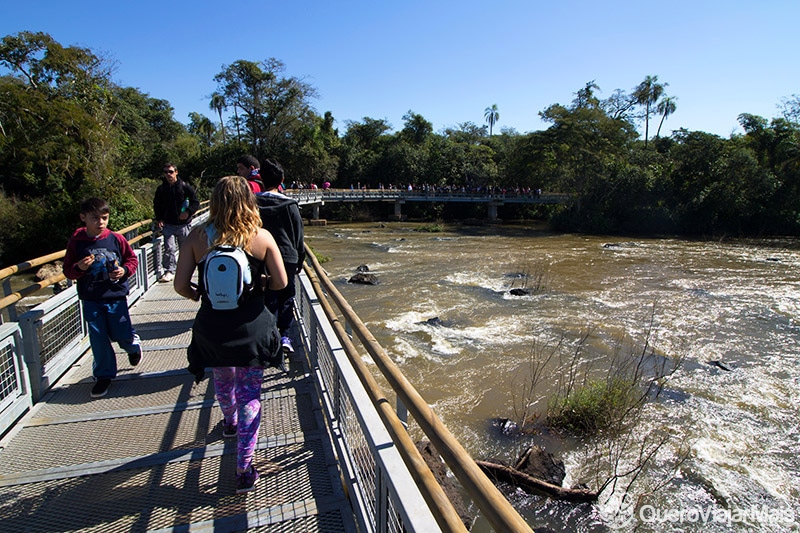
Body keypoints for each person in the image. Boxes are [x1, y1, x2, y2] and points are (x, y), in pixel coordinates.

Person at [174, 175, 288, 494]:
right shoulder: (260, 237)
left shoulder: (197, 236)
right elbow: (280, 282)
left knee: (223, 381)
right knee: (250, 392)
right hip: (252, 326)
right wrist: (258, 285)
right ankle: (243, 468)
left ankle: (229, 422)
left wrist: (200, 294)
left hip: (213, 327)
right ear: (248, 202)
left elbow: (180, 286)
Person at [63, 197, 142, 398]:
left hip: (115, 297)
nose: (101, 223)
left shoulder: (116, 238)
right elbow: (68, 270)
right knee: (98, 338)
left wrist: (124, 271)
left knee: (121, 333)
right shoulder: (77, 242)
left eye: (104, 218)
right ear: (83, 218)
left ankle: (133, 346)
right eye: (95, 218)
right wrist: (79, 268)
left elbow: (132, 259)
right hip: (91, 297)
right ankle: (104, 376)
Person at [254, 159, 305, 357]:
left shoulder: (253, 203)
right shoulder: (290, 205)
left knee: (264, 296)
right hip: (287, 256)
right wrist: (300, 259)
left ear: (261, 179)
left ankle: (266, 336)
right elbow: (298, 236)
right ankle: (285, 336)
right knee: (286, 296)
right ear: (282, 180)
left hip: (260, 256)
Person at [153, 163, 199, 283]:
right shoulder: (161, 189)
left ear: (176, 172)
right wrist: (159, 219)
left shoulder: (184, 187)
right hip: (169, 224)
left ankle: (186, 269)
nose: (168, 174)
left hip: (184, 224)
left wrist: (188, 212)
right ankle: (170, 270)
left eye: (171, 172)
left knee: (185, 249)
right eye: (166, 172)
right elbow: (157, 206)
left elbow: (195, 202)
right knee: (169, 248)